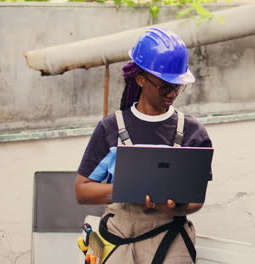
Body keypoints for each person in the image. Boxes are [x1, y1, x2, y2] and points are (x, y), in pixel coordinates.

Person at [74, 27, 212, 264]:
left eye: (177, 85)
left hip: (170, 239)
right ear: (140, 80)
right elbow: (82, 190)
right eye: (165, 86)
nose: (172, 93)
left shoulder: (192, 132)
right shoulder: (110, 128)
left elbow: (197, 200)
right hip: (120, 239)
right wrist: (125, 190)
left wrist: (173, 208)